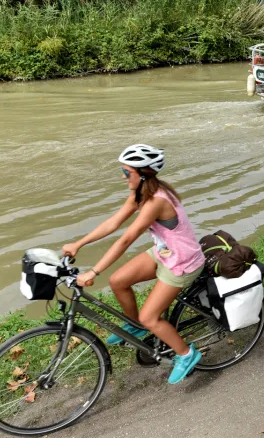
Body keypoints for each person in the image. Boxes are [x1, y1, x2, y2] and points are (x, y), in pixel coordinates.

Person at [62, 144, 206, 385]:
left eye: (126, 172)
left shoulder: (156, 201)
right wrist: (79, 243)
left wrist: (94, 271)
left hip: (182, 262)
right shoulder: (141, 194)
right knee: (118, 281)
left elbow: (126, 239)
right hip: (164, 252)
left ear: (143, 174)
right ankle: (136, 326)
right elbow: (113, 223)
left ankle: (186, 354)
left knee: (150, 317)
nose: (123, 176)